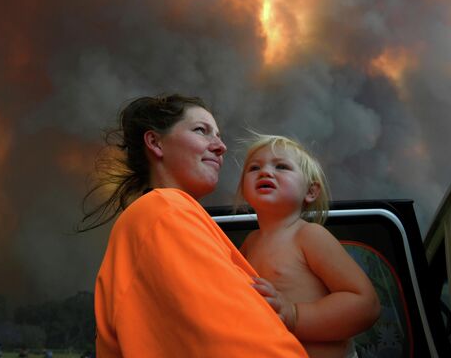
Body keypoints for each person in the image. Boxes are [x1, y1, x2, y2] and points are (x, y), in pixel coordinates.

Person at [82, 94, 307, 357]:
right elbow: (240, 345)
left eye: (219, 135)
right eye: (202, 130)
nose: (221, 146)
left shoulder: (158, 215)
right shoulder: (165, 211)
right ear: (155, 142)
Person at [236, 134, 380, 358]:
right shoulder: (249, 244)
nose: (265, 172)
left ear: (311, 191)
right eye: (254, 168)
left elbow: (365, 304)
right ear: (244, 190)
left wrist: (294, 315)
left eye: (282, 166)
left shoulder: (309, 235)